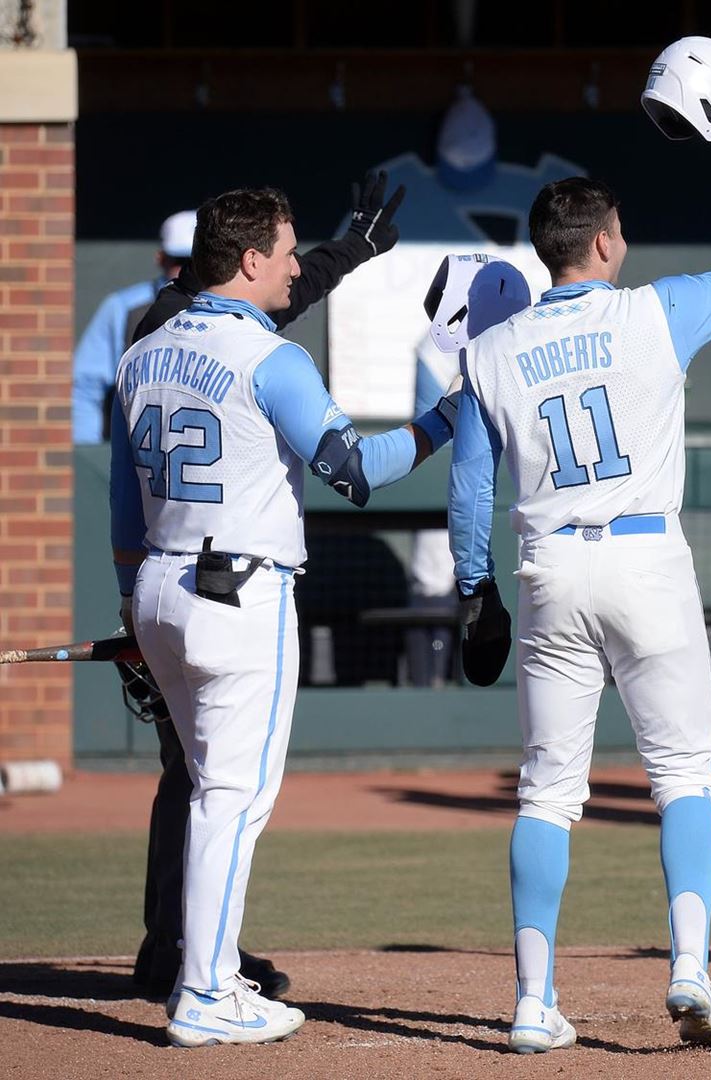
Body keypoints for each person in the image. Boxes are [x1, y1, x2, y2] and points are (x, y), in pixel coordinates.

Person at [451, 105, 711, 1050]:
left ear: (543, 253)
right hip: (645, 555)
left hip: (550, 566)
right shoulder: (655, 310)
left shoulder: (488, 350)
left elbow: (469, 488)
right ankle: (688, 967)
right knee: (684, 772)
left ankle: (531, 1002)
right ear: (604, 242)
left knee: (545, 793)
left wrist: (472, 590)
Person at [111, 187, 460, 1046]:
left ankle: (210, 970)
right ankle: (201, 993)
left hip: (158, 584)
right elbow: (360, 469)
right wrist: (454, 412)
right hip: (239, 594)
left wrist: (132, 606)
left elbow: (124, 503)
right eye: (289, 251)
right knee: (232, 795)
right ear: (251, 260)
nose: (299, 265)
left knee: (202, 790)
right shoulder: (272, 358)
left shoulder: (144, 349)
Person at [73, 211, 195, 444]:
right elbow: (85, 385)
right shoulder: (124, 307)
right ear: (161, 258)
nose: (190, 271)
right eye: (180, 262)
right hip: (138, 452)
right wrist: (90, 454)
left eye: (197, 261)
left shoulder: (235, 309)